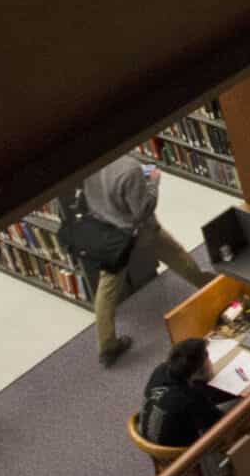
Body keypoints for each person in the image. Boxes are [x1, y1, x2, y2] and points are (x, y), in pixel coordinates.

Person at [79, 155, 208, 367]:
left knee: (107, 289)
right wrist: (154, 180)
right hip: (139, 232)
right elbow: (143, 209)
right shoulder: (130, 169)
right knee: (177, 256)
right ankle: (209, 286)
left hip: (109, 234)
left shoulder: (90, 161)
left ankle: (107, 346)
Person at [139, 337, 224, 446]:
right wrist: (207, 371)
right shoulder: (190, 397)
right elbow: (220, 422)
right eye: (207, 356)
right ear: (197, 370)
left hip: (150, 436)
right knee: (237, 405)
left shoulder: (160, 369)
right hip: (182, 453)